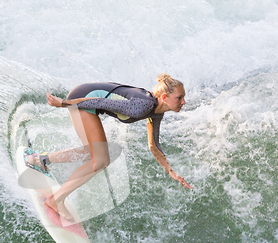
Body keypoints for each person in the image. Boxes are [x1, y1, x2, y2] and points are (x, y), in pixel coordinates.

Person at [27, 73, 193, 220]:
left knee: (92, 153)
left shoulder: (155, 112)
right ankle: (56, 200)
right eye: (180, 98)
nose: (183, 102)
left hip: (88, 98)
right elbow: (100, 101)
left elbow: (154, 145)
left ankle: (41, 160)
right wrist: (64, 103)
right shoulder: (142, 106)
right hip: (85, 97)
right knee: (100, 160)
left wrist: (170, 171)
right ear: (164, 97)